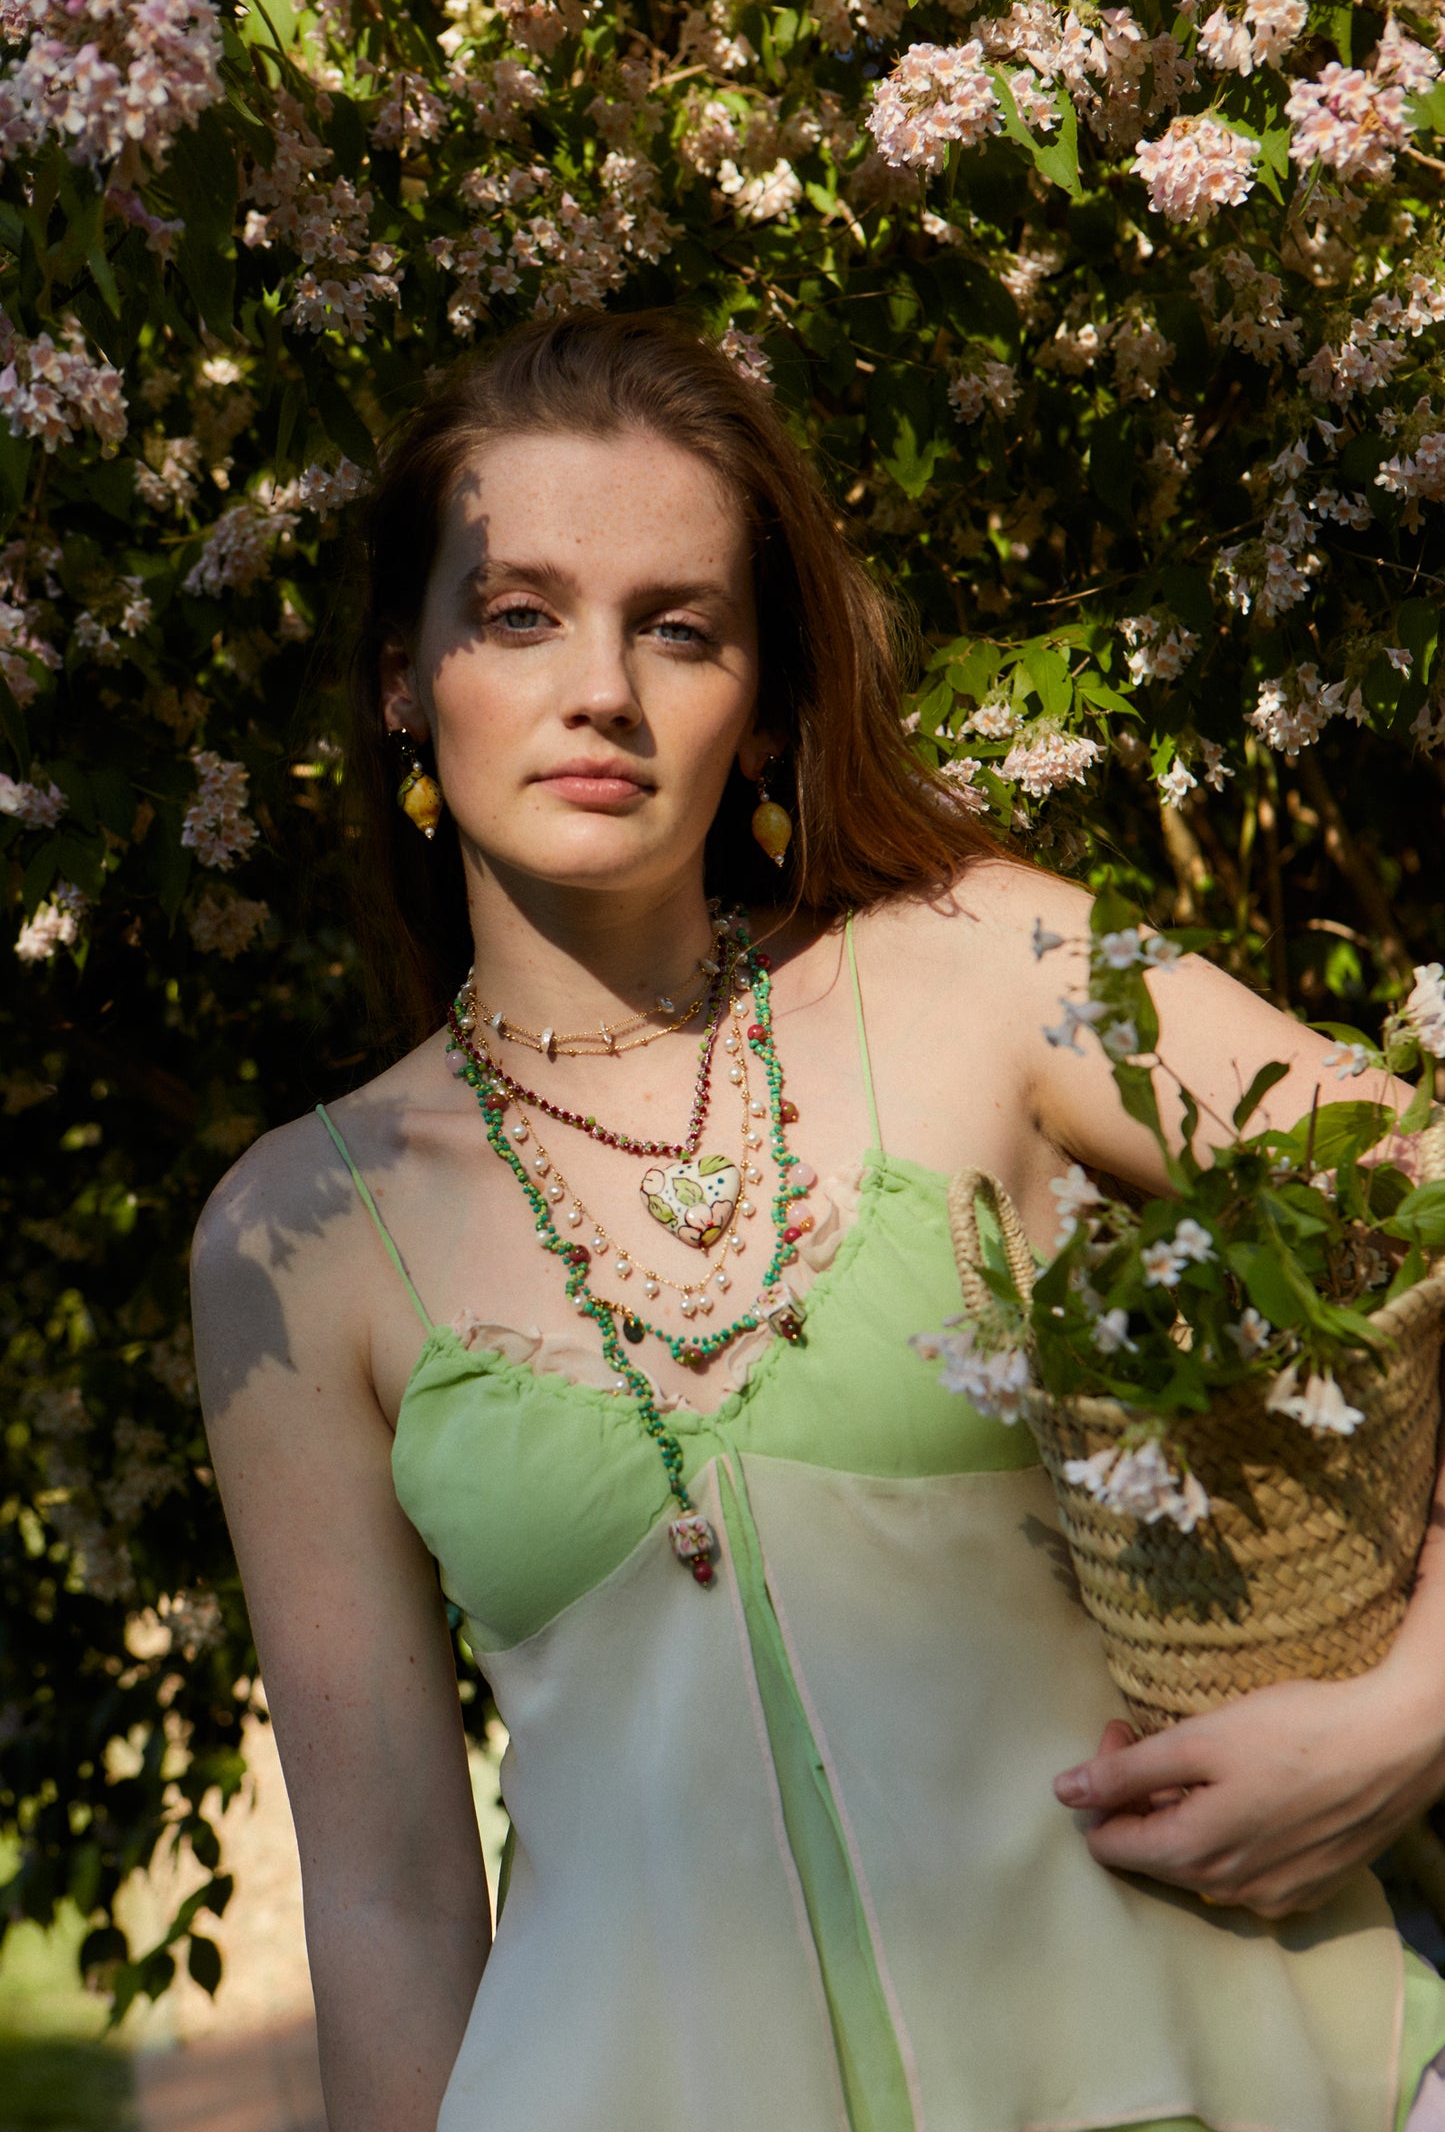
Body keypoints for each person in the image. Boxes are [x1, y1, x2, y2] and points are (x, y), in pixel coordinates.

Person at [191, 310, 1445, 2132]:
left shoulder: (986, 968)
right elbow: (387, 1896)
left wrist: (1413, 1708)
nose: (599, 687)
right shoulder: (293, 1240)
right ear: (406, 678)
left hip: (1248, 2071)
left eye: (677, 626)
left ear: (765, 706)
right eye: (520, 613)